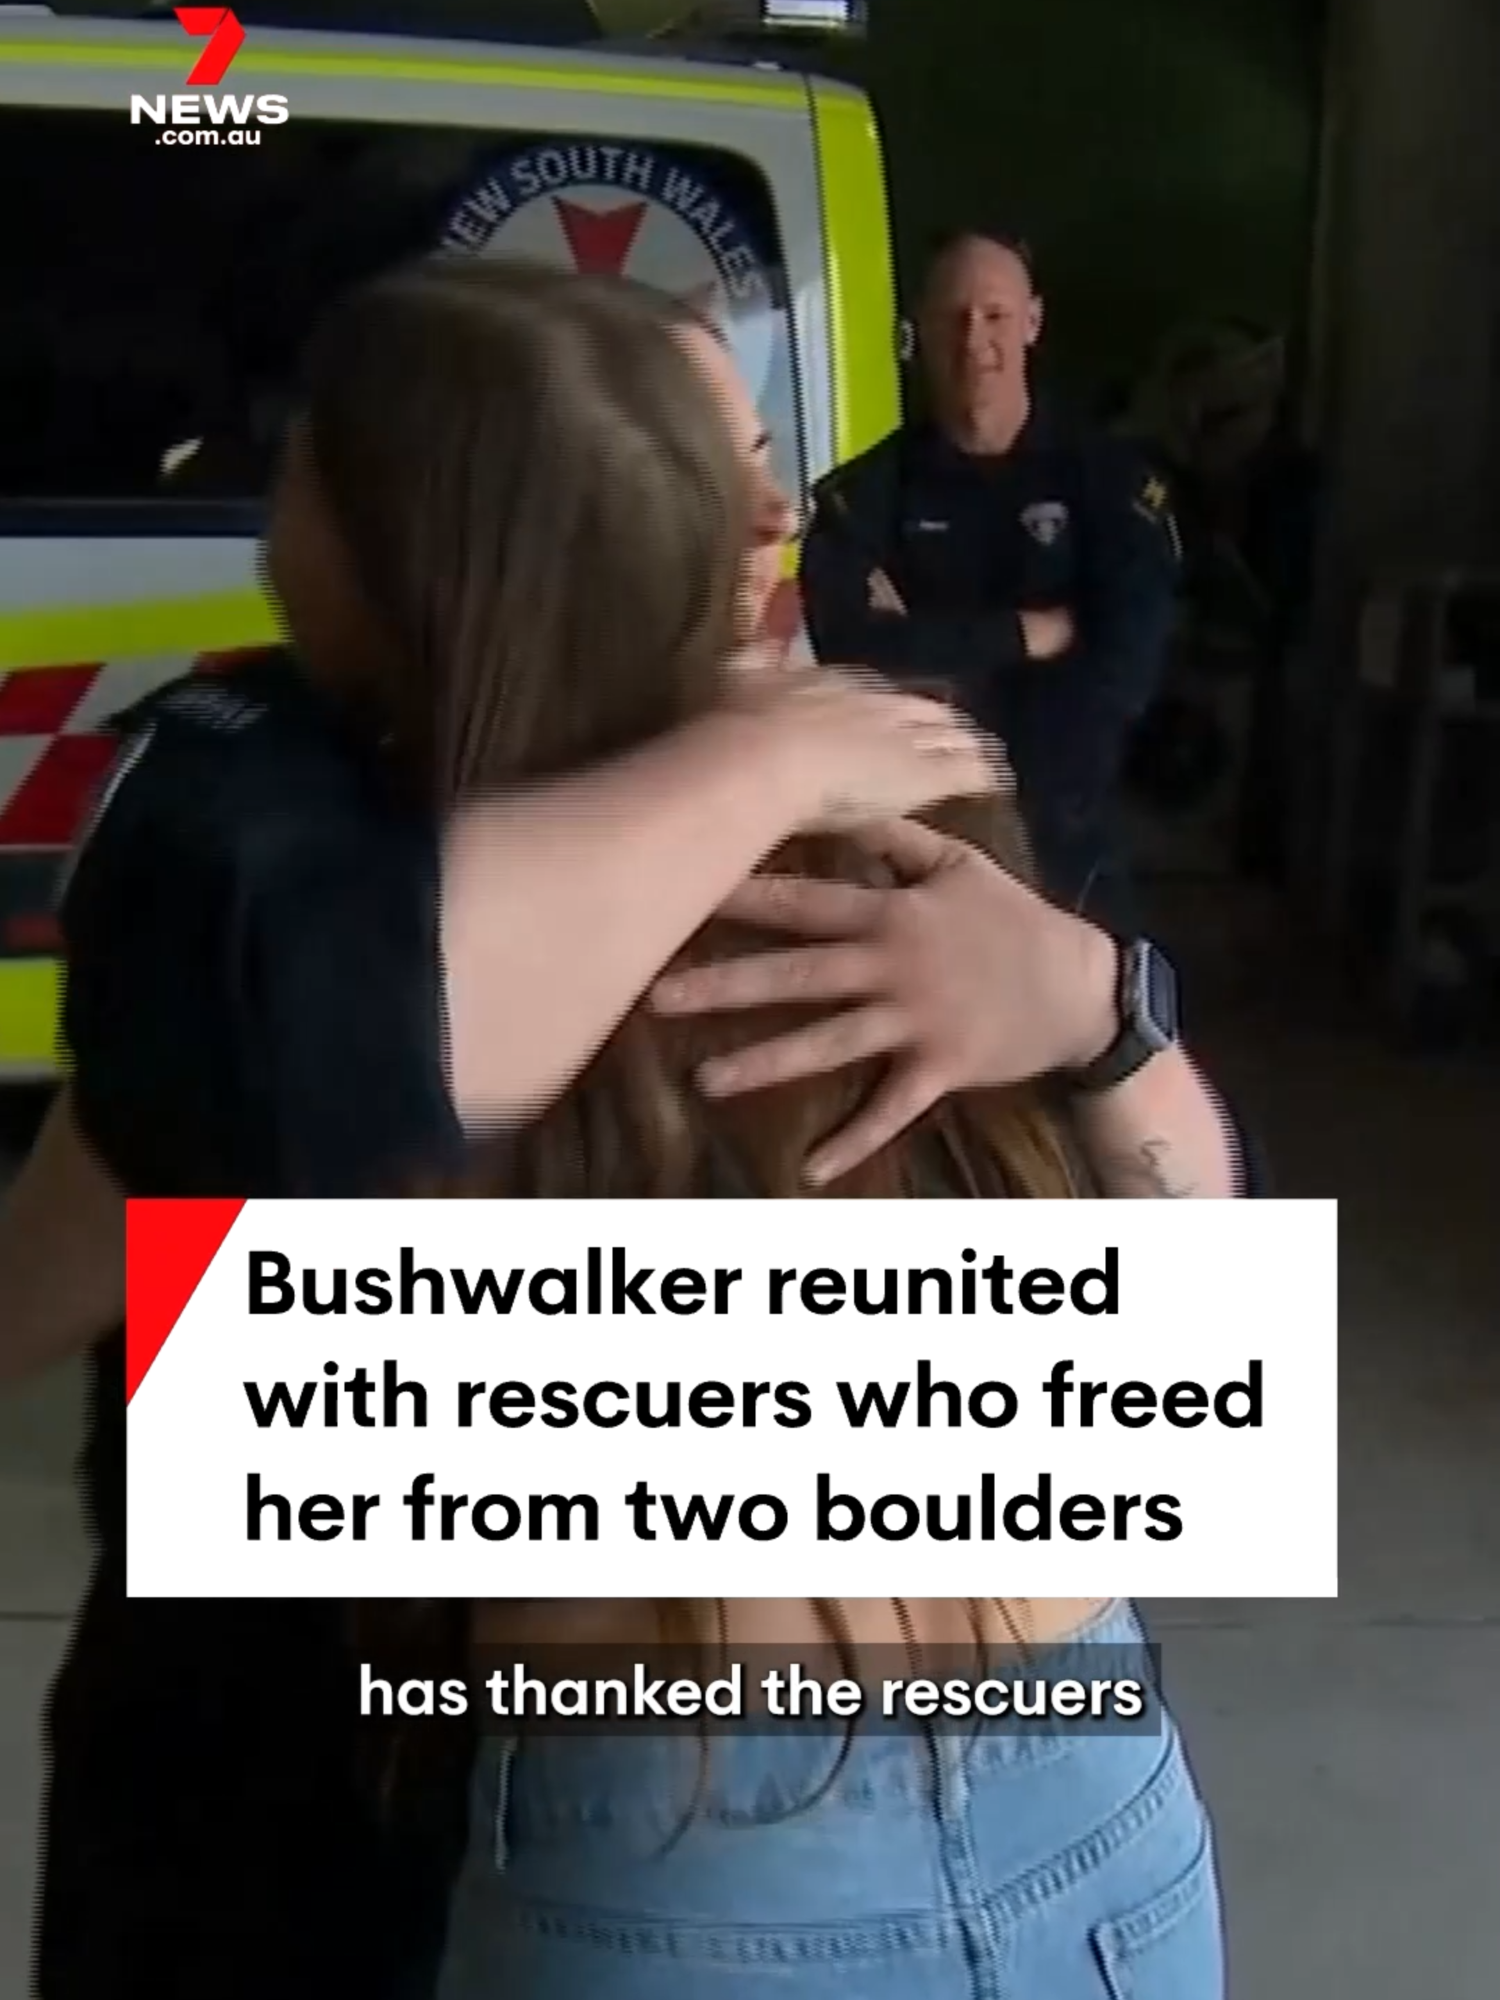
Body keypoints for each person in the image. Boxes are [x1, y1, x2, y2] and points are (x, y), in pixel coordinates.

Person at [4, 260, 1243, 2000]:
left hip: (1034, 1774)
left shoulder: (881, 775)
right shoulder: (311, 860)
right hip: (787, 1805)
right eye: (697, 461)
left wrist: (1097, 1013)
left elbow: (1167, 1343)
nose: (767, 515)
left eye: (762, 453)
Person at [799, 226, 1182, 933]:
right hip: (919, 841)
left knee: (1098, 1034)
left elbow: (1124, 669)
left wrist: (931, 651)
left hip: (1069, 846)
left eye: (996, 316)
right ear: (915, 334)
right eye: (953, 318)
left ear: (1033, 322)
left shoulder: (1110, 484)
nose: (975, 341)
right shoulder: (866, 496)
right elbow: (848, 650)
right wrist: (1024, 634)